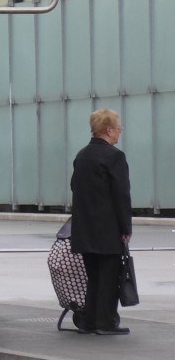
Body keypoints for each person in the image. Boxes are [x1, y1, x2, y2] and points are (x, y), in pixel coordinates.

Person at [69, 108, 133, 336]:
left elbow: (74, 187)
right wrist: (126, 227)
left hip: (85, 229)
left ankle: (89, 321)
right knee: (109, 276)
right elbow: (121, 195)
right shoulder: (115, 157)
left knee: (94, 276)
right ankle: (105, 322)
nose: (119, 132)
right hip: (107, 229)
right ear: (108, 130)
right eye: (118, 128)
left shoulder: (82, 155)